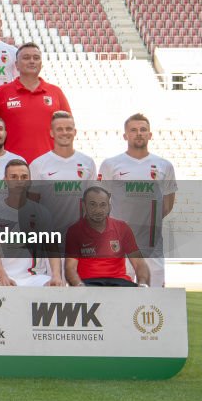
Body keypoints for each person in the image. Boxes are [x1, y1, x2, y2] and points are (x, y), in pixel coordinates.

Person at [99, 113, 177, 287]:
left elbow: (168, 203)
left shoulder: (164, 165)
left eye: (143, 130)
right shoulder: (111, 164)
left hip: (152, 245)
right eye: (133, 130)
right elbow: (99, 203)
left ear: (150, 134)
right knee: (119, 297)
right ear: (125, 135)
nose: (139, 133)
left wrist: (149, 221)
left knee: (154, 298)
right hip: (118, 245)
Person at [0, 159, 63, 287]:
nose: (19, 181)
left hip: (34, 277)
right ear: (5, 180)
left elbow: (52, 248)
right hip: (4, 277)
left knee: (54, 289)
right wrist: (1, 275)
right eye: (14, 177)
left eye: (24, 177)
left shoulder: (42, 212)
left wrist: (56, 275)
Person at [0, 42, 72, 162]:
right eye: (26, 58)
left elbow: (68, 128)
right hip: (11, 167)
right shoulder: (1, 92)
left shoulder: (55, 92)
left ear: (41, 64)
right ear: (16, 65)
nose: (32, 61)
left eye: (36, 58)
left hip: (48, 166)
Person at [65, 186, 150, 287]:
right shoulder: (74, 231)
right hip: (88, 283)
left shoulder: (122, 227)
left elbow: (139, 263)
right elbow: (70, 267)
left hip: (119, 283)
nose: (98, 210)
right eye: (93, 205)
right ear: (84, 205)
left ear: (109, 207)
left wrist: (143, 283)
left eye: (103, 205)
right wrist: (78, 285)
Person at [28, 111, 96, 230]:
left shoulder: (88, 163)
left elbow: (93, 201)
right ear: (51, 133)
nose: (65, 133)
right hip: (49, 240)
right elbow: (31, 206)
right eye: (59, 129)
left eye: (68, 129)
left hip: (80, 239)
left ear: (74, 132)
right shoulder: (38, 164)